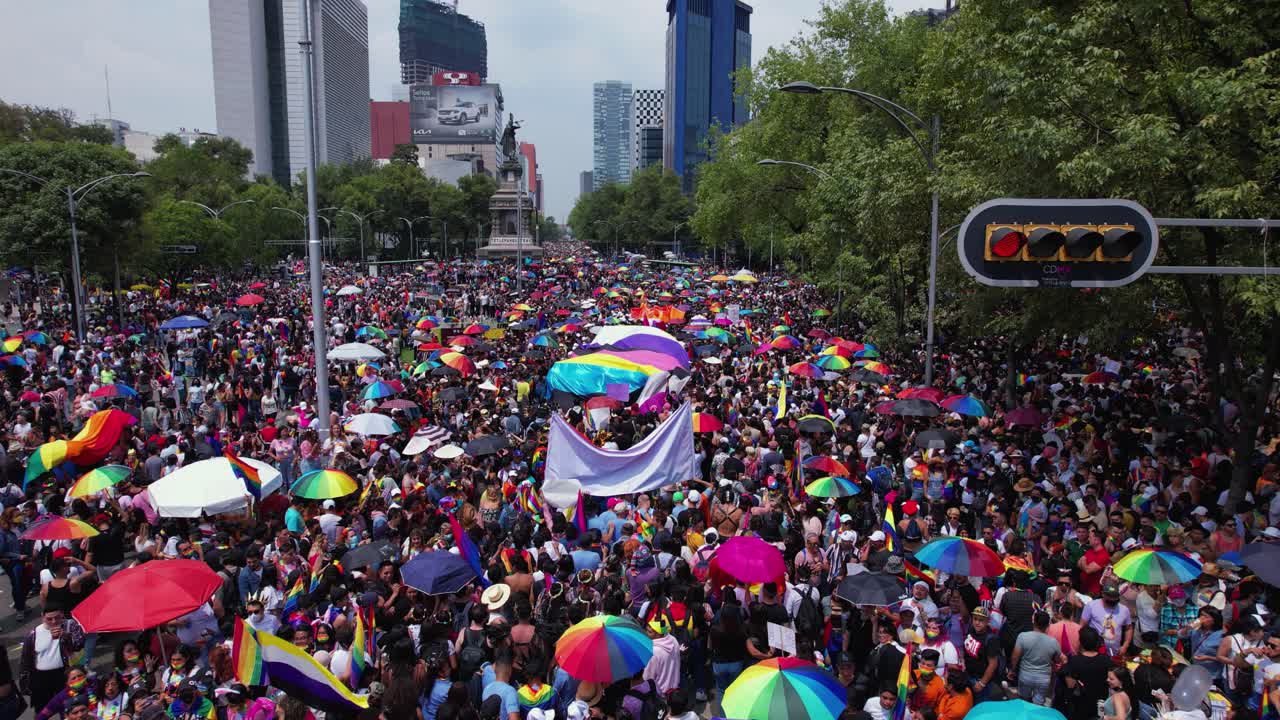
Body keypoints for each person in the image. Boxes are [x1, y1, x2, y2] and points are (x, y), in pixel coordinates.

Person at [1010, 610, 1066, 707]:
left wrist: (1012, 670)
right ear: (1048, 625)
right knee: (1038, 706)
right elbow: (1060, 660)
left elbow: (1015, 657)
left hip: (1025, 676)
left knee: (1024, 703)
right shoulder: (1053, 642)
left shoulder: (1023, 637)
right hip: (1043, 679)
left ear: (1034, 622)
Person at [1082, 584, 1133, 657]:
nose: (1112, 599)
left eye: (1114, 596)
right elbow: (1082, 626)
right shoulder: (1091, 606)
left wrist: (1125, 645)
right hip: (1094, 654)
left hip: (1115, 654)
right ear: (1102, 594)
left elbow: (1129, 628)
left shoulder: (1124, 610)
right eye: (1110, 596)